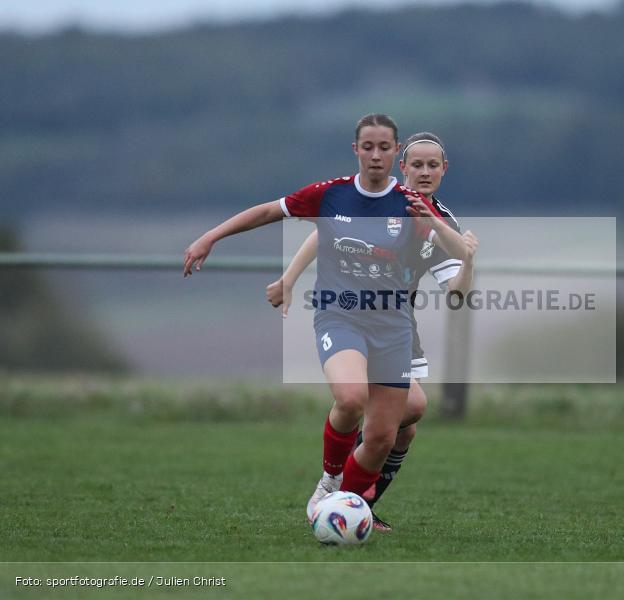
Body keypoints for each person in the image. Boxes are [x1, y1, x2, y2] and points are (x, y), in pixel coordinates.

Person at [183, 114, 469, 524]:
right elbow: (282, 216)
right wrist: (212, 238)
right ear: (359, 151)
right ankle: (330, 481)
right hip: (341, 315)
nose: (375, 155)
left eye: (383, 147)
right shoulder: (334, 194)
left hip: (394, 326)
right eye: (367, 147)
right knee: (352, 398)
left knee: (389, 432)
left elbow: (456, 267)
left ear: (395, 153)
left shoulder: (417, 210)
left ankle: (347, 511)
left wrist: (466, 254)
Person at [267, 132, 478, 530]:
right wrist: (289, 278)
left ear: (444, 170)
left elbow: (457, 291)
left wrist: (468, 262)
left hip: (396, 324)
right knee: (404, 409)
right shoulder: (380, 199)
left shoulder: (440, 222)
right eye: (417, 164)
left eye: (433, 165)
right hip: (350, 315)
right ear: (404, 167)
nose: (425, 172)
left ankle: (356, 505)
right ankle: (335, 489)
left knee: (406, 427)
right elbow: (325, 231)